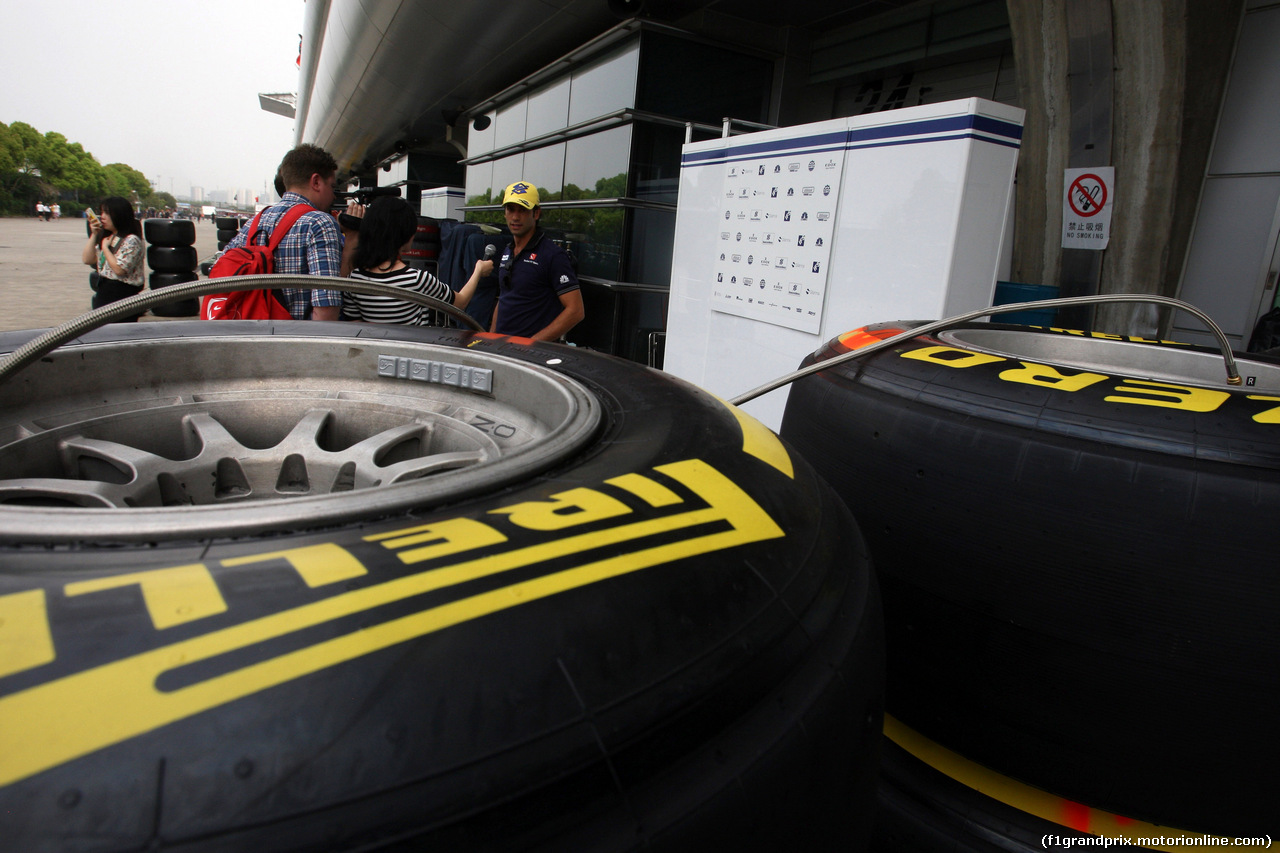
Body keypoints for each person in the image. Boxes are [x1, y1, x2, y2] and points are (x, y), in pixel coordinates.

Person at [220, 143, 353, 320]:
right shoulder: (320, 223)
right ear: (316, 182)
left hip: (252, 335)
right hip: (296, 341)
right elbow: (325, 310)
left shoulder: (254, 223)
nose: (333, 195)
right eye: (332, 186)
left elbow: (221, 272)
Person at [342, 197, 494, 325]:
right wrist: (478, 270)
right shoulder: (416, 279)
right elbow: (460, 302)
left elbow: (355, 326)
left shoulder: (355, 279)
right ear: (405, 234)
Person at [490, 181, 584, 341]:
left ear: (536, 213)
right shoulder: (508, 250)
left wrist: (532, 344)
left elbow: (576, 311)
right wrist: (490, 338)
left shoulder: (553, 255)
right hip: (502, 350)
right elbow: (505, 297)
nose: (515, 217)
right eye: (510, 209)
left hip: (529, 358)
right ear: (505, 213)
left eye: (523, 210)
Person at [81, 196, 145, 321]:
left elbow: (119, 269)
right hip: (104, 290)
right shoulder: (109, 237)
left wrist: (105, 247)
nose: (102, 217)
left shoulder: (131, 240)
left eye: (107, 213)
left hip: (122, 294)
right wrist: (94, 235)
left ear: (119, 215)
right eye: (101, 212)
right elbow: (87, 259)